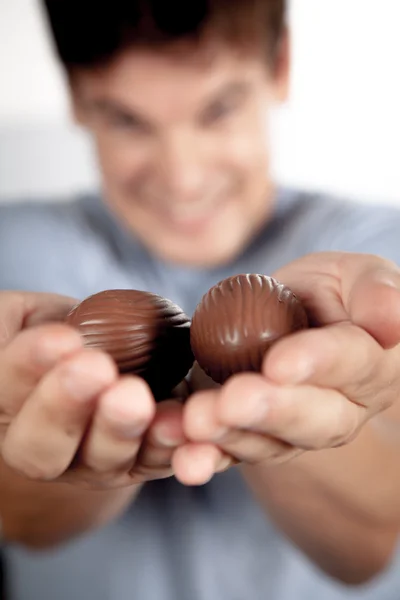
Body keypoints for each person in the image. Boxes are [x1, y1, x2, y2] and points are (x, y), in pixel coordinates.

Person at [1, 1, 400, 598]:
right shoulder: (17, 254)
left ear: (280, 67)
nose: (182, 177)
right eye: (128, 121)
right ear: (78, 101)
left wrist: (271, 407)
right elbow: (21, 519)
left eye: (218, 110)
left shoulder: (373, 259)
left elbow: (373, 544)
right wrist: (84, 441)